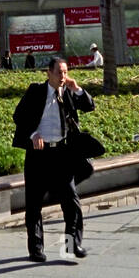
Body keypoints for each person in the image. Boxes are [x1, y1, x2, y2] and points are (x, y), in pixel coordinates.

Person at [12, 55, 95, 262]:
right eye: (59, 72)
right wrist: (32, 134)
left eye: (65, 72)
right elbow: (18, 116)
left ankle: (72, 245)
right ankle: (36, 249)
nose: (63, 76)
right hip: (38, 155)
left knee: (71, 202)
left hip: (62, 155)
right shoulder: (35, 91)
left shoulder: (68, 92)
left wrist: (76, 89)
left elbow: (89, 106)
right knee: (33, 205)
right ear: (48, 73)